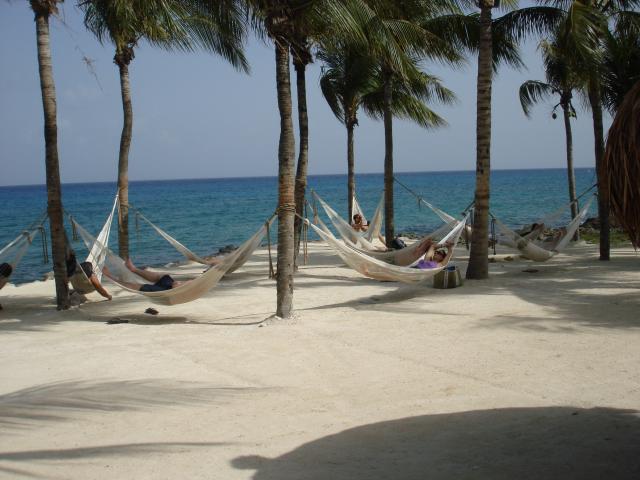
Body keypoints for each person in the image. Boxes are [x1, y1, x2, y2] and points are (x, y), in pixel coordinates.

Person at [104, 258, 185, 292]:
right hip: (172, 288)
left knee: (138, 286)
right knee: (164, 277)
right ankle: (133, 269)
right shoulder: (193, 284)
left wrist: (178, 284)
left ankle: (112, 278)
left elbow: (176, 287)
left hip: (169, 292)